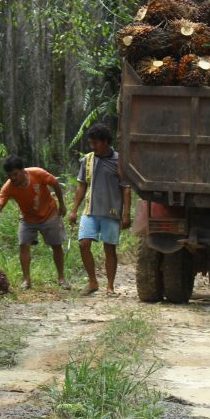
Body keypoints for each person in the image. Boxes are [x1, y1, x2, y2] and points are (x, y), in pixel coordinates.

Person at [0, 155, 71, 291]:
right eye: (10, 175)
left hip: (49, 214)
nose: (13, 178)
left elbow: (55, 184)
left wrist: (62, 205)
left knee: (56, 245)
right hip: (28, 218)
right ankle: (26, 280)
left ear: (23, 170)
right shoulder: (8, 187)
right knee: (23, 244)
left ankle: (61, 277)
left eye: (15, 174)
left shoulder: (38, 173)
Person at [68, 124, 132, 296]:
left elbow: (126, 188)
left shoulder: (119, 161)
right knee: (83, 244)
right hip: (90, 210)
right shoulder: (88, 160)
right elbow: (81, 186)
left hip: (111, 212)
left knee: (109, 249)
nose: (92, 147)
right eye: (91, 143)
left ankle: (110, 286)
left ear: (105, 142)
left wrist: (126, 214)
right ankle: (92, 281)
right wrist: (74, 210)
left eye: (95, 143)